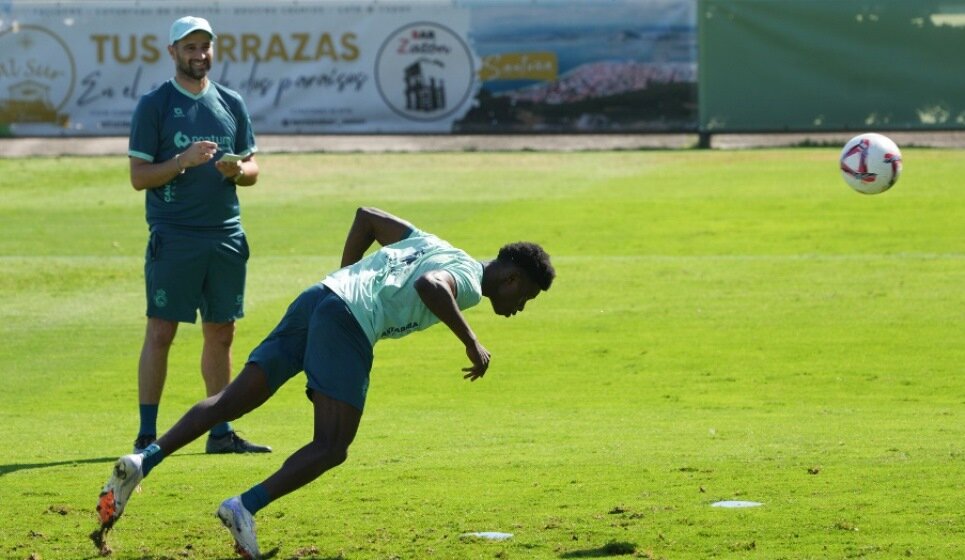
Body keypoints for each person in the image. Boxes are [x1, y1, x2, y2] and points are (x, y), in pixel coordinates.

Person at [95, 207, 556, 559]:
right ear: (511, 277)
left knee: (231, 400)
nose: (521, 306)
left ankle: (142, 460)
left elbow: (367, 217)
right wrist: (471, 341)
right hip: (348, 322)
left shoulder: (434, 242)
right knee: (333, 444)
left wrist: (347, 275)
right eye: (527, 296)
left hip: (318, 298)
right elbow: (432, 287)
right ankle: (244, 506)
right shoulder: (470, 280)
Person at [127, 16, 269, 454]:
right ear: (172, 52)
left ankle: (220, 432)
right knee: (162, 331)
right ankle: (148, 434)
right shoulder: (155, 105)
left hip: (225, 234)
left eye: (205, 46)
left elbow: (253, 168)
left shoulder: (231, 102)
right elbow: (138, 176)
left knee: (222, 333)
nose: (199, 54)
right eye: (190, 47)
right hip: (175, 235)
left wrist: (238, 170)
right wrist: (182, 161)